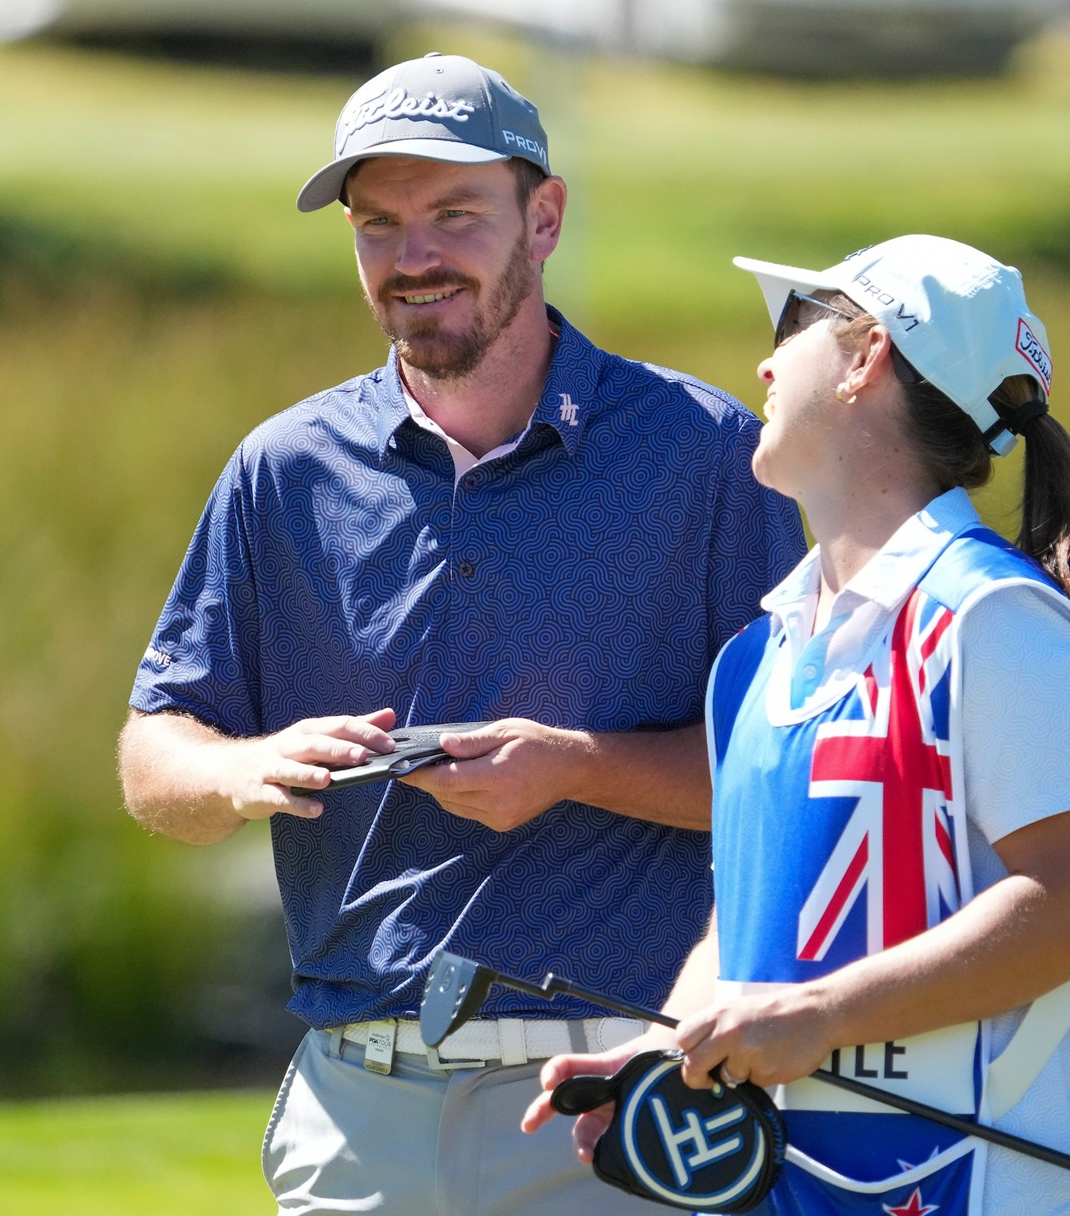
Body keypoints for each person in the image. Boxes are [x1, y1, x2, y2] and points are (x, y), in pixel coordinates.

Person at [117, 53, 805, 1216]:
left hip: (615, 1099)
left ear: (543, 218)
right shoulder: (284, 471)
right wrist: (244, 767)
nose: (413, 257)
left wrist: (576, 769)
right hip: (360, 1112)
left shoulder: (707, 455)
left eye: (453, 215)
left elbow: (789, 782)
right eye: (377, 225)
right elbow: (152, 755)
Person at [525, 236, 1070, 1215]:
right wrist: (666, 1043)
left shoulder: (994, 619)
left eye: (791, 331)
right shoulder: (757, 659)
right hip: (806, 1182)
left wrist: (821, 1015)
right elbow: (745, 931)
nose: (765, 365)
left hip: (998, 1187)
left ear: (868, 356)